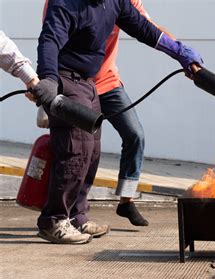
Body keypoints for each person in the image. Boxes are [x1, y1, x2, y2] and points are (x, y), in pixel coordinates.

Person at [32, 0, 203, 244]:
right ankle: (54, 220)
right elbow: (49, 39)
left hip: (91, 82)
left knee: (91, 151)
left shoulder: (116, 1)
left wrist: (179, 52)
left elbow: (145, 29)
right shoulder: (65, 2)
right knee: (75, 150)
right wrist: (47, 79)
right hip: (65, 78)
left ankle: (76, 216)